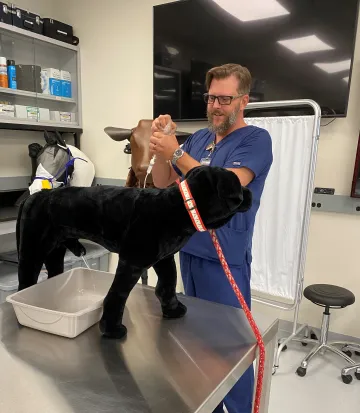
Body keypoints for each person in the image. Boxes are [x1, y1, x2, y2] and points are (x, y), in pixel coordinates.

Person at [150, 63, 273, 413]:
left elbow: (227, 186)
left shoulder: (256, 140)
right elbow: (162, 182)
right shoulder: (200, 138)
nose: (215, 106)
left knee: (230, 348)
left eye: (224, 98)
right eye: (210, 98)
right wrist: (161, 147)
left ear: (243, 100)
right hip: (188, 252)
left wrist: (176, 152)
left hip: (225, 260)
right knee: (198, 342)